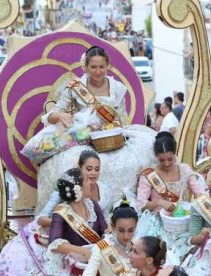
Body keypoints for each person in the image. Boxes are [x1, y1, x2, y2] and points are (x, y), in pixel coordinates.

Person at [24, 45, 156, 211]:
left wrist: (111, 127)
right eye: (93, 67)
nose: (98, 71)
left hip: (109, 138)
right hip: (82, 137)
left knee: (140, 155)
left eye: (102, 67)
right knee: (67, 163)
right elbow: (51, 115)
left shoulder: (117, 88)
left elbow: (122, 120)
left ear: (107, 66)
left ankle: (123, 211)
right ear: (85, 67)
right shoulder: (75, 87)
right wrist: (61, 116)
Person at [134, 131, 205, 246]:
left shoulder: (184, 170)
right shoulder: (149, 174)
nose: (166, 164)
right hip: (158, 224)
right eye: (162, 160)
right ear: (156, 156)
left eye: (170, 159)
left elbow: (200, 195)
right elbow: (140, 205)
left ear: (175, 154)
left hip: (185, 221)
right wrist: (160, 202)